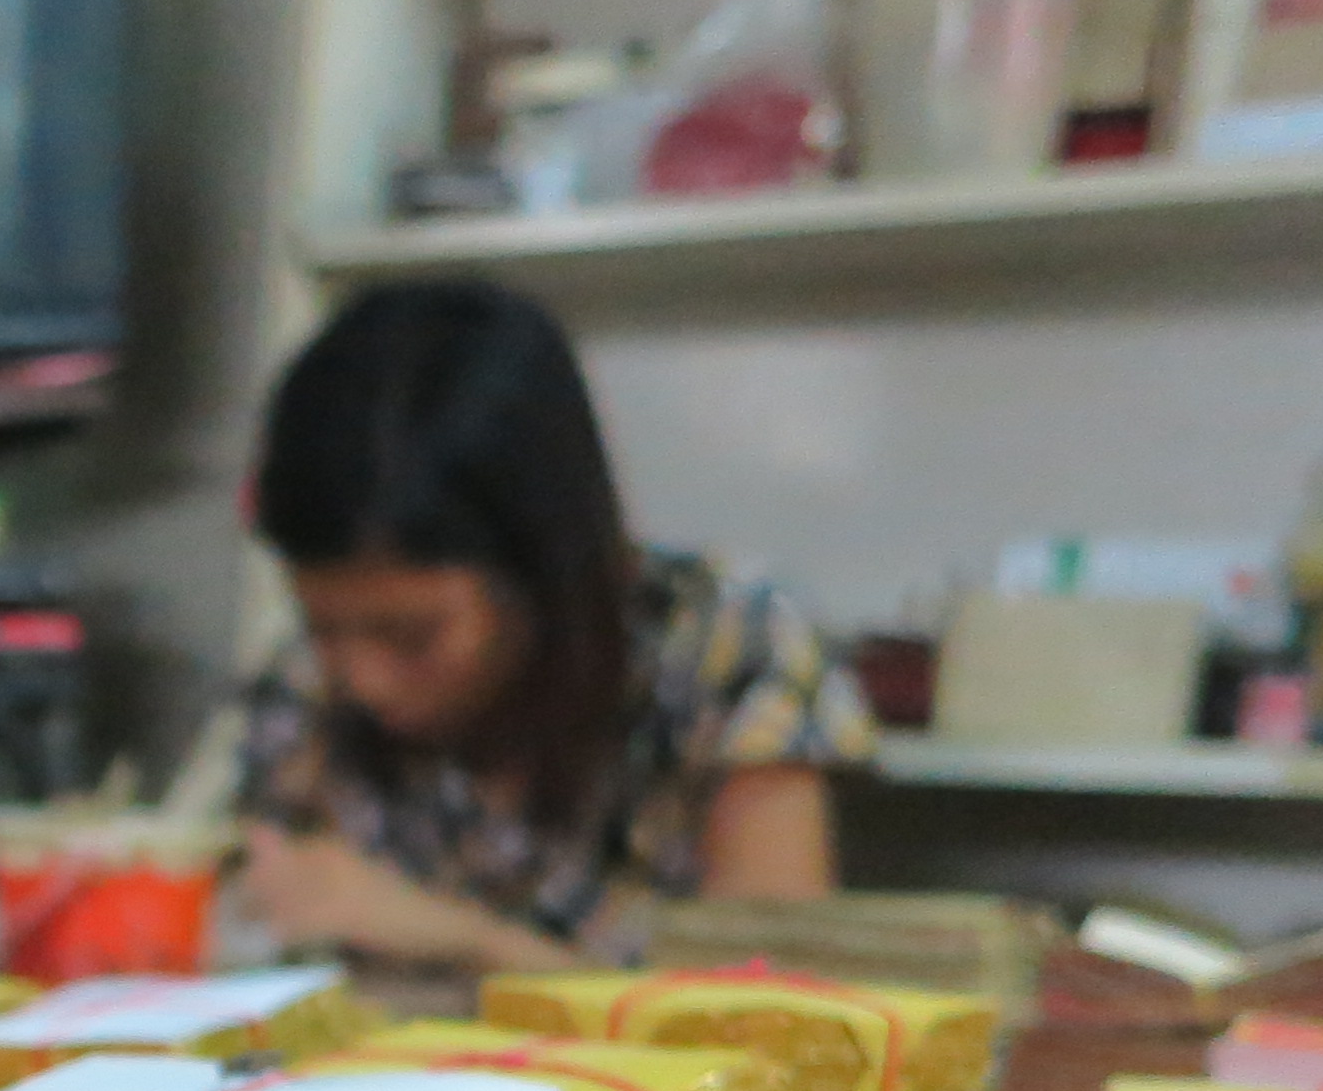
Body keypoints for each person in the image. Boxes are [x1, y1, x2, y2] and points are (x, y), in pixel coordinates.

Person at [230, 277, 874, 993]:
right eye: (320, 626)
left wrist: (464, 940)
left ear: (542, 572)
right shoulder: (306, 687)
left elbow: (771, 1015)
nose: (361, 680)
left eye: (412, 636)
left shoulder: (731, 649)